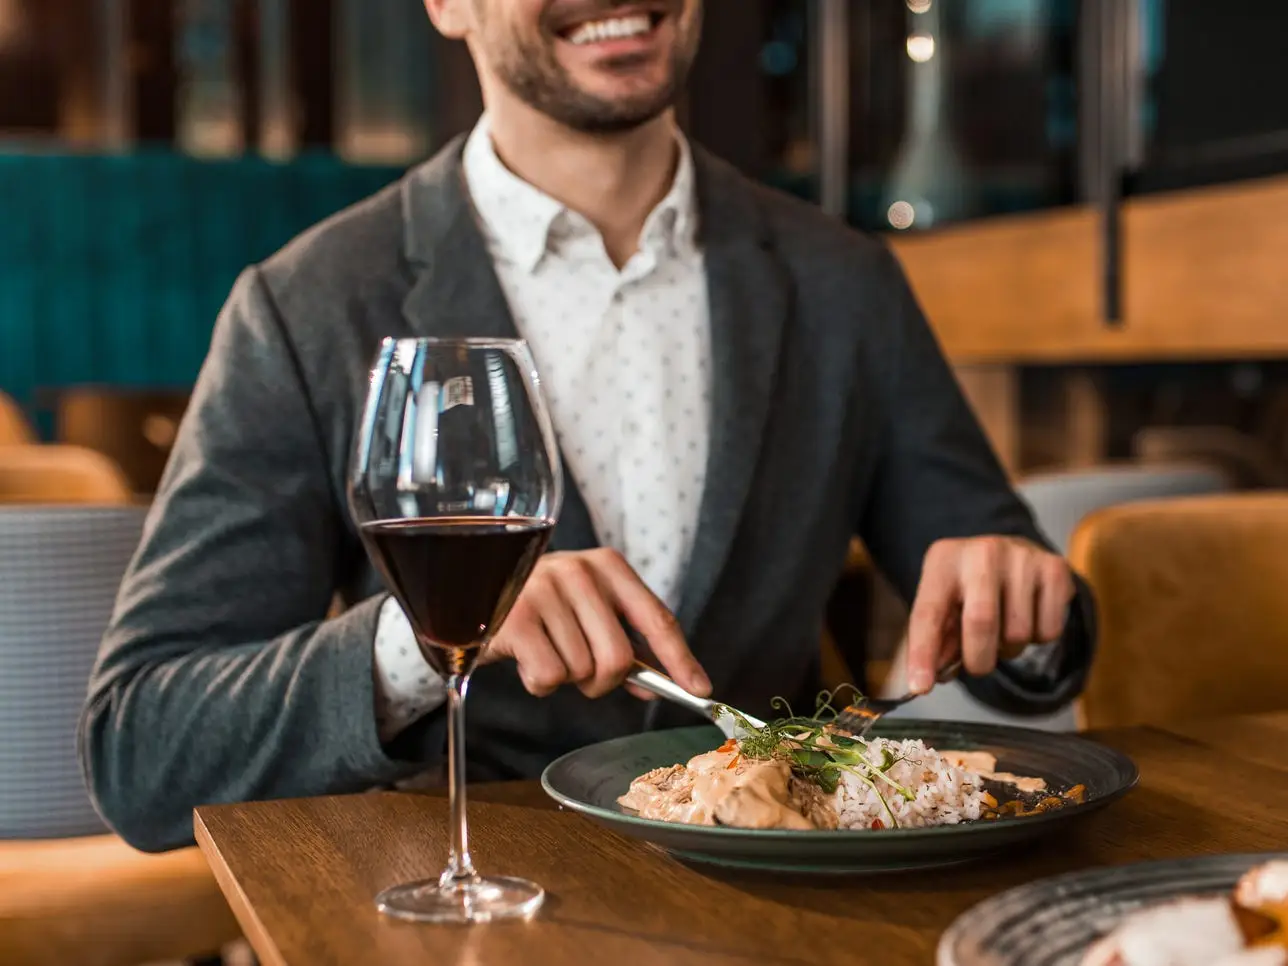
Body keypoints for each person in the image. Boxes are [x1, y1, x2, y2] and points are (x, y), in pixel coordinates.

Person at [81, 0, 1094, 853]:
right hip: (446, 909)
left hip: (781, 905)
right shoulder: (306, 307)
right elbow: (145, 750)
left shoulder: (844, 281)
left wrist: (1026, 607)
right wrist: (425, 642)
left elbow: (1015, 612)